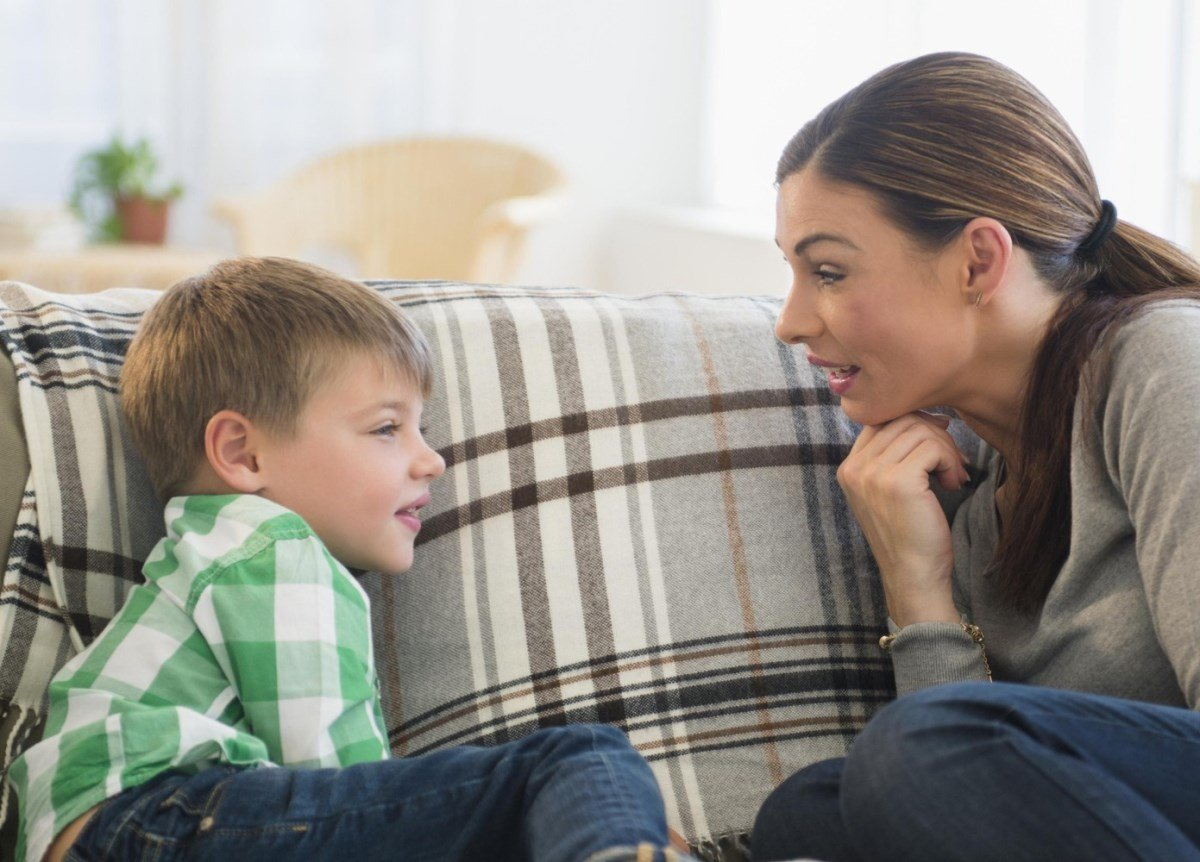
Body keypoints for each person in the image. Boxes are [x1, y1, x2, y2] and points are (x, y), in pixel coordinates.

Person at [8, 257, 694, 862]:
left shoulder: (206, 550)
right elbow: (339, 773)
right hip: (152, 816)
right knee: (583, 761)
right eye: (387, 428)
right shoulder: (273, 548)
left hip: (115, 824)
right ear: (244, 454)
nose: (433, 459)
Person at [751, 52, 1200, 862]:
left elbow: (945, 751)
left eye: (826, 271)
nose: (789, 322)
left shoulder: (1167, 360)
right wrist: (920, 593)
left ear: (978, 262)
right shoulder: (967, 475)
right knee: (810, 811)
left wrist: (937, 741)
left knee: (920, 748)